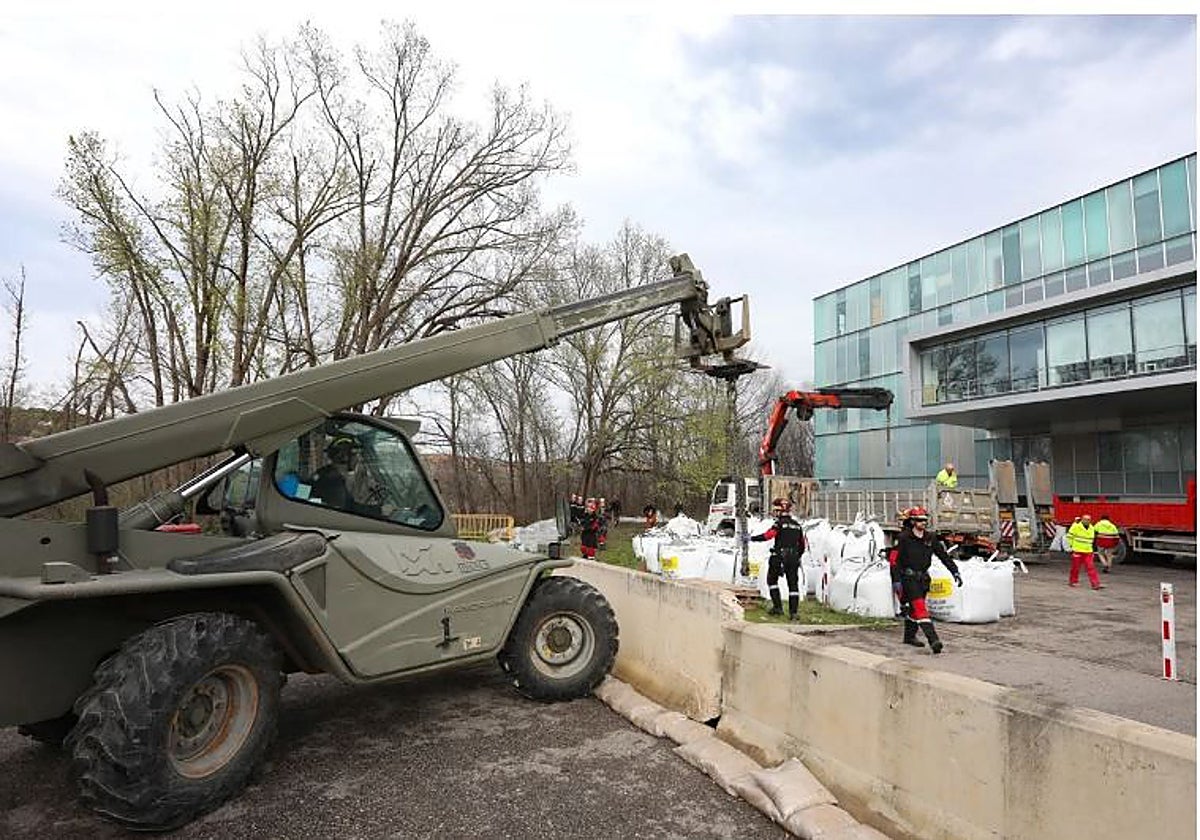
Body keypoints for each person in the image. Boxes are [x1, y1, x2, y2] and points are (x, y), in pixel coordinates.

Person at [889, 506, 961, 654]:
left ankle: (909, 637)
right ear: (913, 521)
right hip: (908, 579)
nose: (923, 523)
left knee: (915, 611)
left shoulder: (930, 538)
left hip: (923, 578)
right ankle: (934, 640)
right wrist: (896, 580)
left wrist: (955, 571)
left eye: (925, 520)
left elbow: (943, 556)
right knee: (921, 609)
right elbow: (894, 561)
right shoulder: (903, 538)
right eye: (920, 520)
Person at [750, 497, 806, 620]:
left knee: (771, 580)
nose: (775, 513)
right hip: (793, 558)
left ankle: (778, 608)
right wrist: (796, 556)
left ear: (781, 511)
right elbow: (802, 545)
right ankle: (794, 613)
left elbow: (768, 536)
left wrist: (752, 538)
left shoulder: (778, 524)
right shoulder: (797, 526)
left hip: (779, 556)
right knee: (793, 585)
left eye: (776, 510)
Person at [1067, 514, 1103, 590]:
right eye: (1086, 519)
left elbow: (1091, 540)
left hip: (1088, 551)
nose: (1087, 521)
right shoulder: (1076, 526)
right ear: (1082, 520)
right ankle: (1073, 581)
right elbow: (1069, 536)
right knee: (1075, 568)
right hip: (1077, 550)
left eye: (1089, 519)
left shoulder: (1091, 528)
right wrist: (1071, 547)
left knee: (1091, 567)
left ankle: (1095, 584)